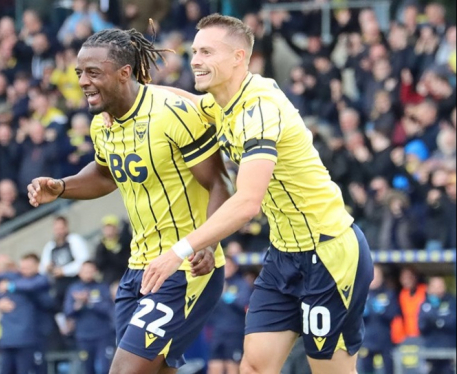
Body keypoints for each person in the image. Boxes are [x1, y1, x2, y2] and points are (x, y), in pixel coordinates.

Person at [141, 14, 374, 374]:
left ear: (239, 58)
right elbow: (184, 99)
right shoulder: (223, 103)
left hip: (330, 253)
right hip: (284, 254)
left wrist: (179, 250)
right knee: (252, 367)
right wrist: (130, 92)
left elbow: (248, 202)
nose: (196, 60)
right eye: (194, 51)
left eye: (206, 51)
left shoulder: (259, 109)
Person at [28, 27, 231, 374]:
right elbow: (106, 175)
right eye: (80, 73)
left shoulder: (173, 112)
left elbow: (220, 183)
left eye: (94, 72)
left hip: (184, 268)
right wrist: (61, 186)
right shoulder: (102, 124)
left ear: (124, 73)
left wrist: (208, 245)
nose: (84, 82)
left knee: (123, 371)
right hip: (138, 270)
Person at [64, 261, 116, 374]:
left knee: (104, 368)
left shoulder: (102, 287)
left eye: (90, 271)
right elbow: (67, 312)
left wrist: (90, 302)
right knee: (86, 368)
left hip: (103, 335)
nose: (87, 274)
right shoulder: (74, 288)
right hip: (83, 336)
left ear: (95, 272)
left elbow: (109, 309)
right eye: (85, 271)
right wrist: (78, 304)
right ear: (79, 273)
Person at [207, 256, 252, 374]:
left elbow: (244, 304)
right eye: (224, 266)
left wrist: (227, 294)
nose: (226, 269)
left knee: (232, 367)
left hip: (234, 333)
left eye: (229, 266)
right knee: (214, 366)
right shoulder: (215, 284)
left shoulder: (241, 284)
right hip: (217, 333)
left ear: (235, 267)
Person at [359, 265, 400, 374]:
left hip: (384, 341)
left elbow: (393, 314)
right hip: (366, 341)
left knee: (388, 369)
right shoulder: (361, 294)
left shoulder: (389, 294)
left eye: (377, 275)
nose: (374, 278)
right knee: (366, 370)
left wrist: (382, 311)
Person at [418, 277, 456, 374]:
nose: (438, 289)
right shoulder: (424, 304)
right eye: (434, 286)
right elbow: (422, 325)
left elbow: (453, 322)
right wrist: (440, 319)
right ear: (429, 288)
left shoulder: (452, 302)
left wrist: (436, 320)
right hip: (431, 350)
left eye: (440, 286)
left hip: (449, 350)